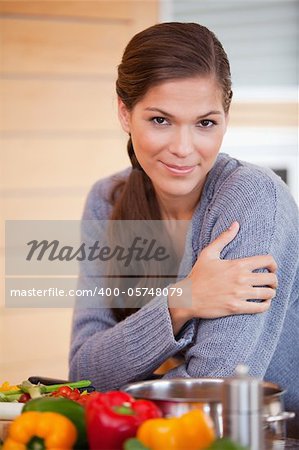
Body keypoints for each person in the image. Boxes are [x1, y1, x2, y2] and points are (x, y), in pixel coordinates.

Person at [69, 22, 299, 436]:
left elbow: (212, 393)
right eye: (160, 120)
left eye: (205, 123)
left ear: (226, 117)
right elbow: (84, 372)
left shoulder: (252, 198)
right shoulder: (107, 199)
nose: (183, 147)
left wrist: (123, 380)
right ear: (125, 112)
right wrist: (182, 300)